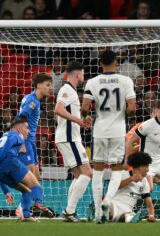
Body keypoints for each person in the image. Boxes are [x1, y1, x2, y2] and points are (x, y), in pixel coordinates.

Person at [81, 49, 137, 223]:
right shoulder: (125, 80)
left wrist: (86, 116)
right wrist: (122, 113)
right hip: (118, 131)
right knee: (116, 169)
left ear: (100, 63)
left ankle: (98, 211)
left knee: (97, 170)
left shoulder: (92, 81)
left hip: (99, 130)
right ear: (116, 62)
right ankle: (107, 200)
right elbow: (132, 108)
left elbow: (84, 107)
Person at [54, 60, 93, 222]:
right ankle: (69, 211)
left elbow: (59, 114)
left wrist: (81, 120)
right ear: (78, 74)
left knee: (79, 176)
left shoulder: (70, 91)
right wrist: (78, 121)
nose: (83, 77)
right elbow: (58, 109)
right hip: (69, 138)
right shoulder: (67, 89)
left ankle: (71, 212)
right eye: (83, 74)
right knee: (88, 173)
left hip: (68, 137)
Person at [0, 118, 54, 222]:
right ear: (19, 129)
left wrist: (6, 191)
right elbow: (8, 145)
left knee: (26, 190)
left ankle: (26, 215)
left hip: (1, 170)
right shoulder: (16, 135)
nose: (28, 131)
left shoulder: (4, 136)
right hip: (9, 161)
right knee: (35, 185)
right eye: (26, 128)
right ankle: (38, 203)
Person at [106, 152, 156, 223]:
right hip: (114, 204)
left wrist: (151, 216)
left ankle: (127, 219)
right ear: (139, 168)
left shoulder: (144, 182)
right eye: (146, 166)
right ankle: (100, 212)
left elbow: (149, 203)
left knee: (127, 217)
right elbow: (114, 187)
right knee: (107, 206)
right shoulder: (123, 173)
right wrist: (130, 179)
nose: (148, 169)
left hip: (127, 210)